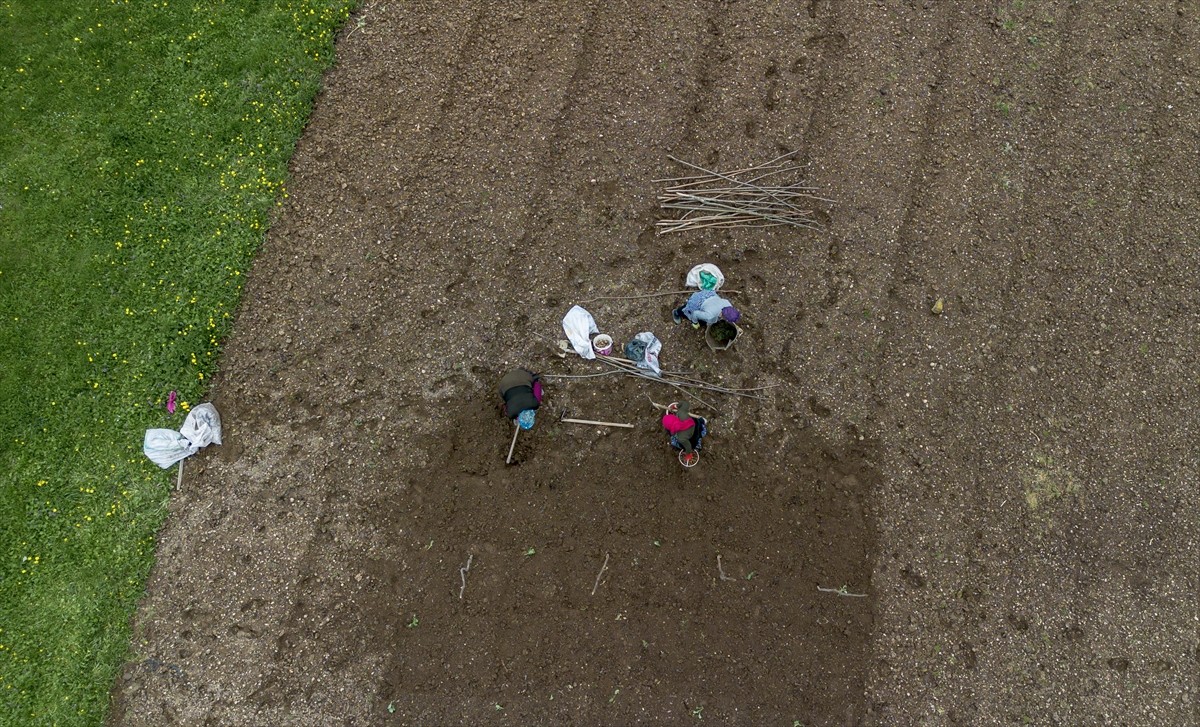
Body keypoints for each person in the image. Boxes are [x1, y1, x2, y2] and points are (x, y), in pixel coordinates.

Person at [672, 289, 740, 329]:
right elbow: (695, 313)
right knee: (687, 310)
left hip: (709, 295)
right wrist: (695, 323)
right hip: (698, 301)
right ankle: (676, 312)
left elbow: (718, 298)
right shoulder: (710, 316)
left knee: (704, 318)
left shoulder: (728, 304)